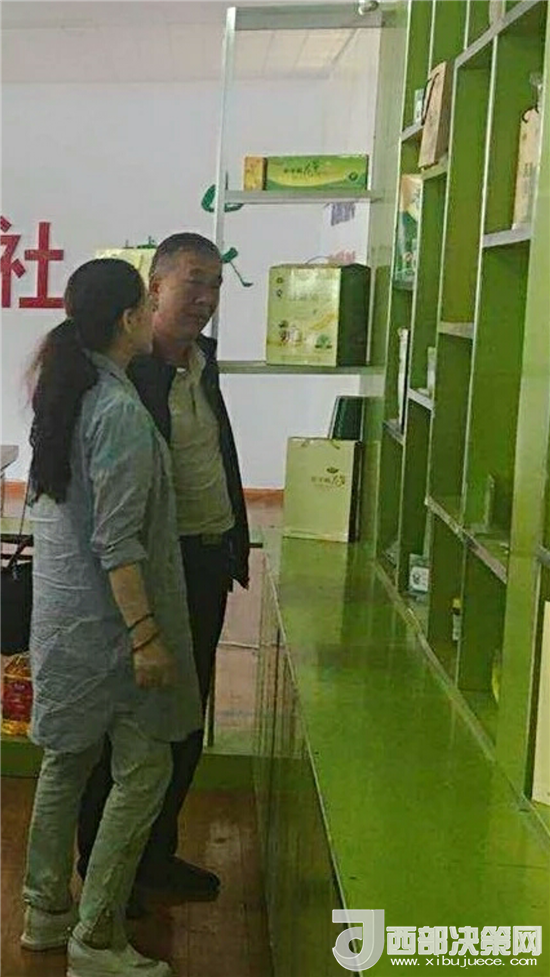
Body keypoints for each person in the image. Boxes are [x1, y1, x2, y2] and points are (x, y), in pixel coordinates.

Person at [22, 258, 202, 977]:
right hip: (110, 632)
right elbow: (117, 543)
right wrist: (146, 636)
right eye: (147, 305)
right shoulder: (118, 411)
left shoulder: (66, 394)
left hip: (64, 623)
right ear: (130, 319)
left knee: (65, 763)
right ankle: (96, 936)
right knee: (146, 769)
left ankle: (44, 910)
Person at [77, 233, 250, 906]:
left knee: (186, 722)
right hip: (155, 570)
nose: (206, 298)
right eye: (193, 282)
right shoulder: (130, 373)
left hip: (207, 559)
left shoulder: (204, 362)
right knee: (131, 728)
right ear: (155, 288)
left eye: (216, 285)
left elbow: (216, 453)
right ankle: (103, 870)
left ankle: (156, 855)